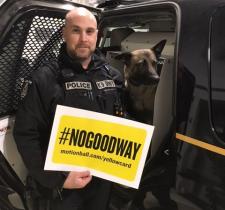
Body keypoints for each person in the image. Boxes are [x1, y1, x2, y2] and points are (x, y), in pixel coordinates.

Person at [13, 7, 124, 210]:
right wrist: (58, 179)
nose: (83, 38)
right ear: (64, 33)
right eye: (76, 30)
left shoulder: (113, 76)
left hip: (102, 182)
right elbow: (25, 135)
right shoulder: (44, 79)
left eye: (89, 31)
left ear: (97, 35)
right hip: (63, 190)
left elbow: (122, 123)